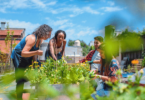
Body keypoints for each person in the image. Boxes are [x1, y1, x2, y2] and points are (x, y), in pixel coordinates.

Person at [11, 24, 52, 100]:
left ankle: (39, 94)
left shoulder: (39, 41)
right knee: (21, 78)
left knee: (39, 70)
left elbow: (34, 56)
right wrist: (36, 52)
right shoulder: (32, 38)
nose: (49, 37)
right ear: (43, 32)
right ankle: (19, 98)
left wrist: (35, 64)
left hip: (27, 56)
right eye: (48, 34)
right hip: (19, 56)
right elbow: (23, 53)